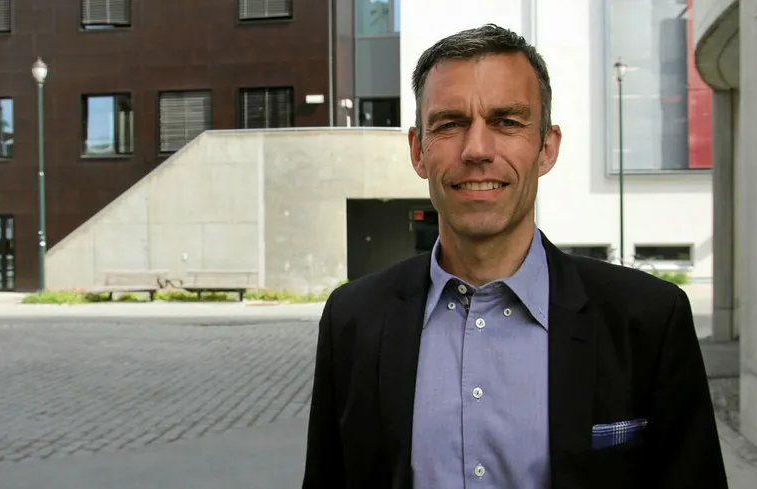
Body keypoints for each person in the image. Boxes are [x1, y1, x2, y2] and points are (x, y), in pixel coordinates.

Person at [301, 24, 727, 489]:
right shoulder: (353, 321)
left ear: (546, 148)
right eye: (449, 124)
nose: (477, 149)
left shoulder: (647, 321)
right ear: (417, 151)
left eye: (506, 122)